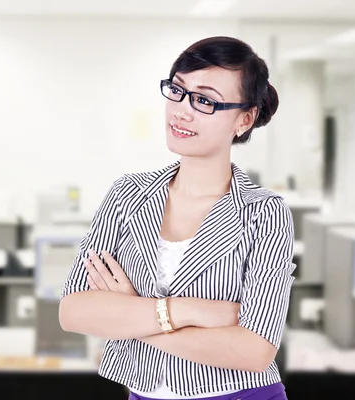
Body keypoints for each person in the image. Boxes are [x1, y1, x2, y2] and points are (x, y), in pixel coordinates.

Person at [59, 36, 294, 400]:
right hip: (144, 393)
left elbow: (254, 351)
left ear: (244, 119)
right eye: (178, 90)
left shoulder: (263, 212)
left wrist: (130, 311)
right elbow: (74, 311)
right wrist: (186, 311)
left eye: (205, 100)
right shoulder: (127, 195)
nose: (182, 110)